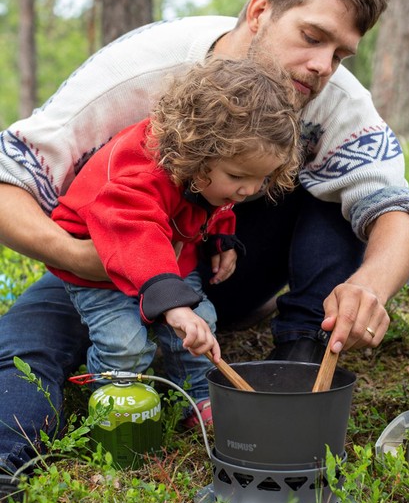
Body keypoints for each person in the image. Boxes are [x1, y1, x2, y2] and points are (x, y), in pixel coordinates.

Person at [0, 0, 409, 494]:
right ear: (260, 11)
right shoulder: (140, 71)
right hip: (112, 255)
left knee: (339, 193)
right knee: (23, 345)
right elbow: (9, 183)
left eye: (340, 54)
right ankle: (13, 457)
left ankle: (299, 353)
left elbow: (393, 211)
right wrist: (82, 256)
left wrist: (370, 285)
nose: (323, 66)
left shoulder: (336, 99)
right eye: (312, 37)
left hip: (217, 263)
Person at [47, 57, 301, 428]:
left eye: (260, 179)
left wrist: (222, 237)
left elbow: (214, 203)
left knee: (202, 322)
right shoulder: (142, 167)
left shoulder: (214, 175)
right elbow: (133, 226)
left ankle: (198, 397)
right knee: (124, 343)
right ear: (198, 155)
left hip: (168, 255)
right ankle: (115, 410)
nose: (248, 190)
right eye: (237, 176)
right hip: (100, 260)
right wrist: (173, 304)